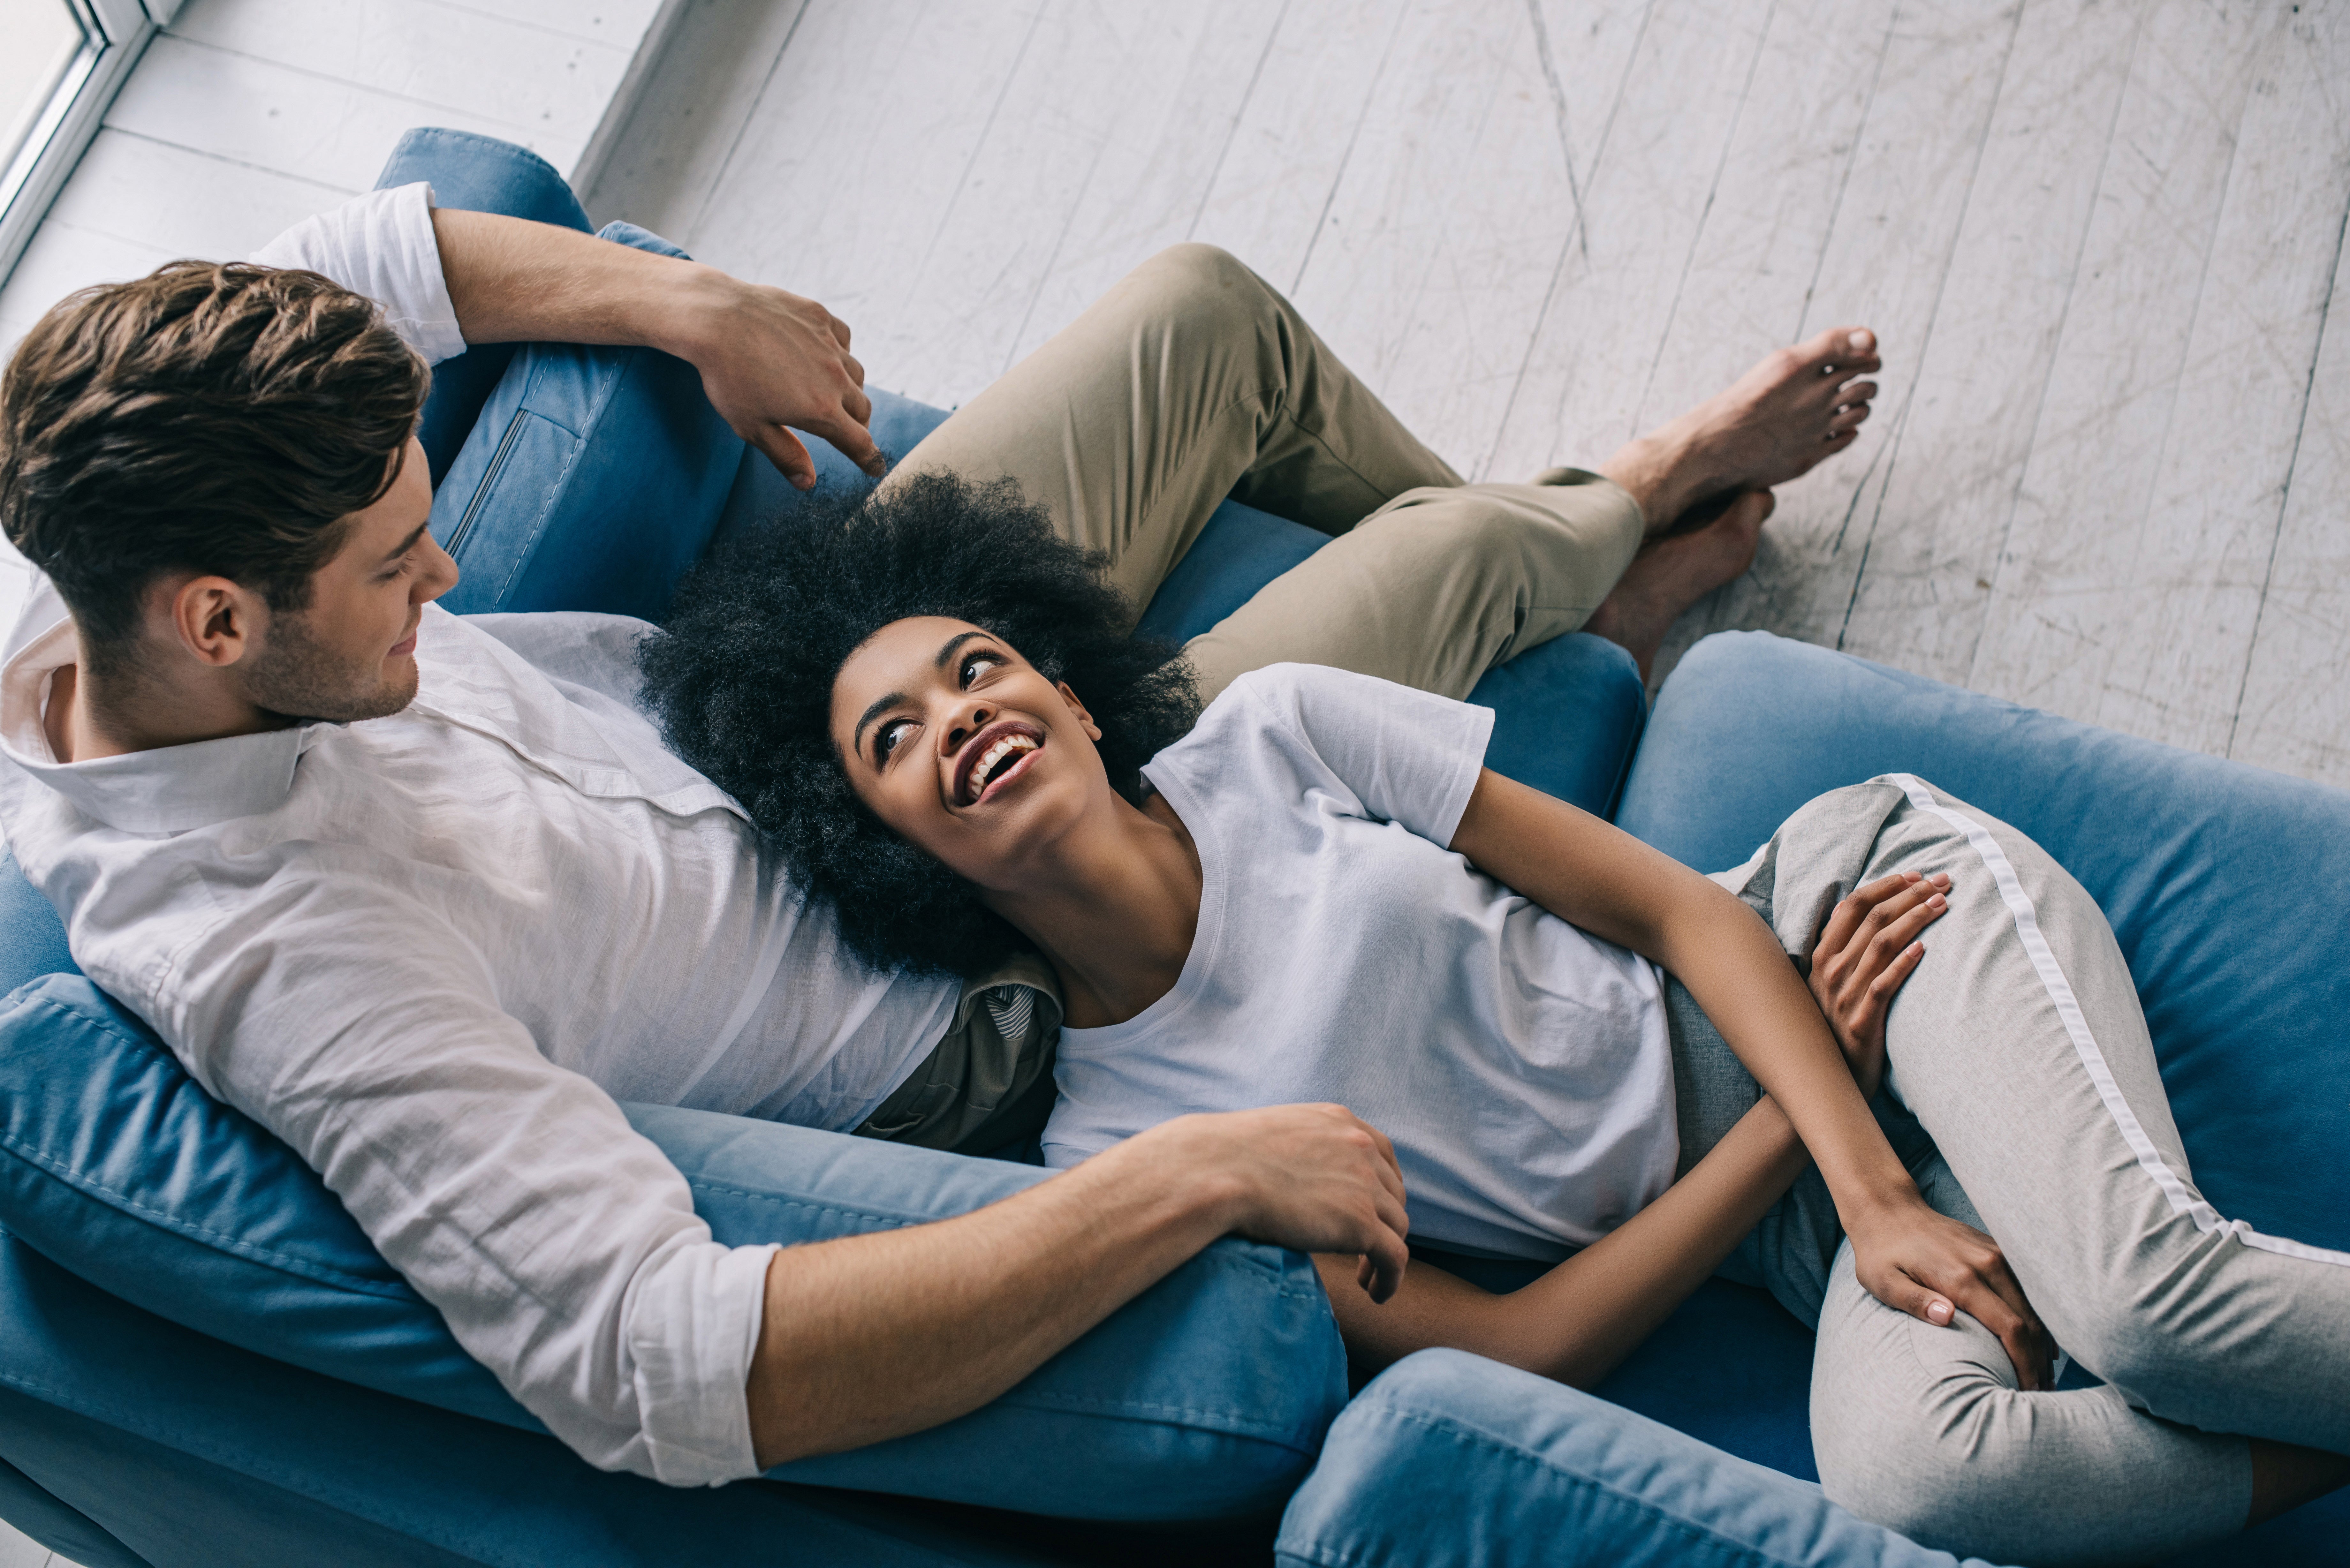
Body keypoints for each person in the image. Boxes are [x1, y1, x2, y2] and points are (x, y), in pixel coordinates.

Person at [0, 162, 1880, 1486]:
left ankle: (1565, 593)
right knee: (1446, 558)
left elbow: (368, 252)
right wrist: (1186, 1179)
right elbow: (648, 1365)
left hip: (774, 695)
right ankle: (1598, 530)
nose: (458, 571)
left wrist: (683, 302)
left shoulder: (130, 521)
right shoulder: (283, 958)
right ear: (222, 625)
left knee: (1202, 316)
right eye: (406, 569)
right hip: (940, 958)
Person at [640, 485, 2350, 1564]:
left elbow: (1681, 908)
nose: (962, 715)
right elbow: (1516, 1350)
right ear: (890, 842)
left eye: (979, 665)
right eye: (893, 739)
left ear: (1070, 692)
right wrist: (1808, 1169)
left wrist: (1873, 1172)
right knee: (1933, 1482)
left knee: (2146, 1309)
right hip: (1784, 1210)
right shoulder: (1127, 1144)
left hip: (1852, 933)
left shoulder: (1283, 734)